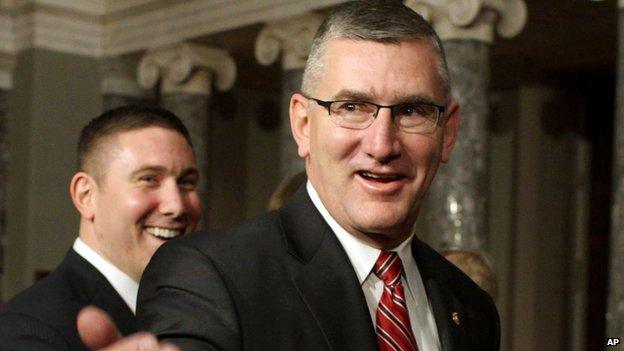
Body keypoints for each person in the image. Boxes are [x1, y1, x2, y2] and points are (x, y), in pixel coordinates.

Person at [87, 1, 500, 350]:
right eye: (352, 107)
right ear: (303, 124)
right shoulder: (211, 276)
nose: (381, 145)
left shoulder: (469, 306)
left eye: (411, 111)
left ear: (448, 133)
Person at [0, 105, 201, 350]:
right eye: (149, 179)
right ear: (86, 196)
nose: (176, 206)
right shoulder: (27, 327)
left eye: (186, 182)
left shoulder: (201, 313)